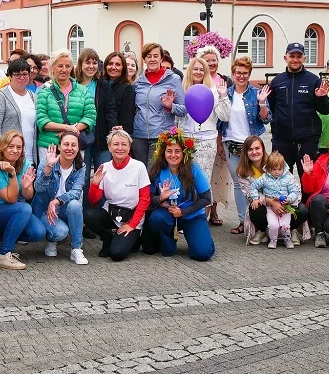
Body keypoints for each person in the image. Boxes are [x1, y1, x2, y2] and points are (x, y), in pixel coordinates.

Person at [145, 127, 215, 261]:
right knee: (157, 219)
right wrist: (160, 198)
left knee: (202, 254)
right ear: (163, 153)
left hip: (192, 215)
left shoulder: (194, 169)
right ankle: (168, 241)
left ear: (184, 153)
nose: (173, 155)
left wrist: (183, 212)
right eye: (169, 151)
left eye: (177, 151)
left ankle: (202, 239)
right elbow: (148, 199)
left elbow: (206, 199)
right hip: (167, 214)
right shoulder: (157, 170)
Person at [0, 131, 45, 269]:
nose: (15, 150)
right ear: (2, 147)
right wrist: (12, 174)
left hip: (11, 211)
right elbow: (12, 199)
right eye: (11, 146)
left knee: (38, 232)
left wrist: (27, 188)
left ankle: (3, 240)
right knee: (24, 208)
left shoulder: (25, 163)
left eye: (19, 147)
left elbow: (28, 196)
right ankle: (4, 255)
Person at [84, 128, 151, 261]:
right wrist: (95, 184)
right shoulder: (105, 167)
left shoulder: (139, 167)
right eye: (115, 144)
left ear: (129, 147)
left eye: (124, 144)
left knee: (117, 254)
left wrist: (132, 224)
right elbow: (93, 201)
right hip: (111, 213)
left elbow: (145, 199)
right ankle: (107, 238)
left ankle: (134, 237)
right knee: (88, 214)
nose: (120, 148)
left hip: (132, 216)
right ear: (109, 147)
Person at [220, 56, 270, 235]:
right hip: (230, 142)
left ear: (249, 74)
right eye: (238, 73)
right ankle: (243, 220)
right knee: (239, 183)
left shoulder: (256, 93)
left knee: (257, 182)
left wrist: (262, 102)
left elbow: (266, 118)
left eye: (245, 73)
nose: (241, 76)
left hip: (251, 145)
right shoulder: (226, 92)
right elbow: (221, 119)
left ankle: (259, 218)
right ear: (233, 74)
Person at [267, 43, 329, 176]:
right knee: (280, 178)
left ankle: (308, 198)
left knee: (308, 177)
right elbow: (272, 108)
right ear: (285, 58)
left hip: (307, 140)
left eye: (299, 56)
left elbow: (326, 110)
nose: (295, 59)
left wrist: (321, 98)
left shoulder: (313, 80)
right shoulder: (277, 82)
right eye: (292, 56)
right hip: (282, 139)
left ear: (304, 58)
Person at [179, 56, 230, 221]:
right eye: (195, 69)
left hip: (207, 140)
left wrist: (223, 96)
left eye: (202, 69)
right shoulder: (183, 89)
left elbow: (224, 115)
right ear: (190, 71)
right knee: (186, 178)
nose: (198, 72)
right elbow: (178, 118)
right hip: (187, 139)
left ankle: (202, 218)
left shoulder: (214, 90)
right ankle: (187, 217)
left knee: (204, 178)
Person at [35, 50, 97, 174]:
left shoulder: (82, 91)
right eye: (60, 66)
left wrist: (70, 132)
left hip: (73, 146)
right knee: (48, 181)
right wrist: (67, 128)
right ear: (53, 68)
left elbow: (90, 116)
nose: (64, 69)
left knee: (73, 182)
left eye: (67, 66)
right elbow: (42, 120)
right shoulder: (44, 92)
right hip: (50, 145)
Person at [33, 133, 88, 264]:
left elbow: (76, 192)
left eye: (74, 145)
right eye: (66, 144)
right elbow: (38, 188)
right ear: (59, 146)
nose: (70, 148)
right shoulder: (47, 162)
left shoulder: (81, 166)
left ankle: (76, 249)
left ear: (78, 148)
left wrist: (58, 200)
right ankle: (52, 239)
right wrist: (48, 167)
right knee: (60, 232)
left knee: (75, 205)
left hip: (63, 209)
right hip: (44, 211)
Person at [132, 43, 186, 165]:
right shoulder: (138, 82)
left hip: (160, 136)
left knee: (152, 173)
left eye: (156, 56)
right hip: (138, 135)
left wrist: (170, 106)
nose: (152, 59)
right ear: (144, 59)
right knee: (140, 175)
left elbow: (183, 110)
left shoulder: (174, 79)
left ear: (161, 58)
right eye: (149, 56)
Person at [247, 151, 304, 249]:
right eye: (274, 169)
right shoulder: (264, 178)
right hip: (270, 207)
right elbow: (253, 187)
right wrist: (255, 198)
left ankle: (287, 239)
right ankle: (273, 240)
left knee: (285, 225)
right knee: (273, 224)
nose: (277, 172)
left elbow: (294, 191)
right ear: (268, 169)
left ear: (284, 168)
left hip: (285, 206)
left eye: (279, 169)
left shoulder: (288, 178)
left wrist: (289, 199)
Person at [75, 48, 118, 177]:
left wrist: (112, 129)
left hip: (101, 134)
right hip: (80, 134)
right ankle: (85, 198)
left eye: (94, 63)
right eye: (87, 63)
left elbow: (110, 110)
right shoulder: (73, 84)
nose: (91, 66)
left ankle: (102, 198)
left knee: (103, 174)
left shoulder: (103, 85)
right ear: (80, 64)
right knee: (83, 174)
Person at [0, 58, 39, 167]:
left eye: (25, 74)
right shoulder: (1, 96)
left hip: (30, 156)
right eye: (17, 74)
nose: (22, 77)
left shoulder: (34, 97)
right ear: (10, 76)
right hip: (8, 157)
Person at [102, 51, 135, 137]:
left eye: (117, 64)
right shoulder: (100, 84)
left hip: (116, 136)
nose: (113, 67)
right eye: (110, 64)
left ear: (123, 68)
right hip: (99, 135)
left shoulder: (127, 88)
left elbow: (127, 118)